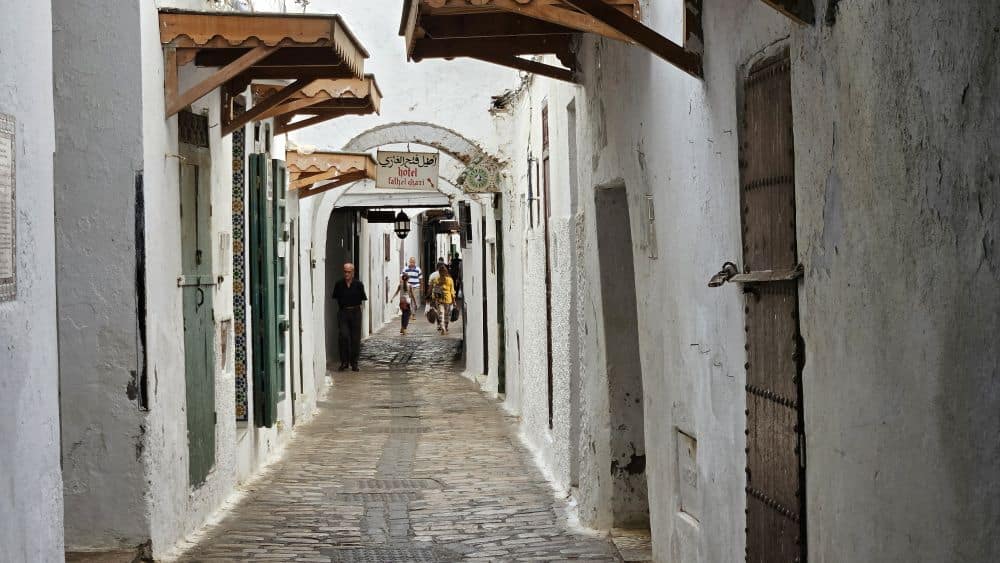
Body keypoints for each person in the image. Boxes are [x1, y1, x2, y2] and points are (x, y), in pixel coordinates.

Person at [331, 262, 367, 372]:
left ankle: (354, 363)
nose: (346, 274)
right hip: (343, 312)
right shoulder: (339, 284)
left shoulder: (358, 284)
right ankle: (344, 362)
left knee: (355, 339)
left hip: (355, 312)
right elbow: (336, 297)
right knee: (344, 336)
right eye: (345, 272)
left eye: (349, 272)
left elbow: (362, 299)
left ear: (353, 272)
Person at [429, 263, 455, 334]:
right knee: (446, 315)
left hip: (439, 300)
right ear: (446, 271)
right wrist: (454, 301)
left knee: (441, 313)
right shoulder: (450, 280)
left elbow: (434, 290)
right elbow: (452, 291)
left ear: (439, 272)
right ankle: (445, 327)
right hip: (448, 300)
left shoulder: (436, 280)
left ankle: (442, 327)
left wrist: (433, 299)